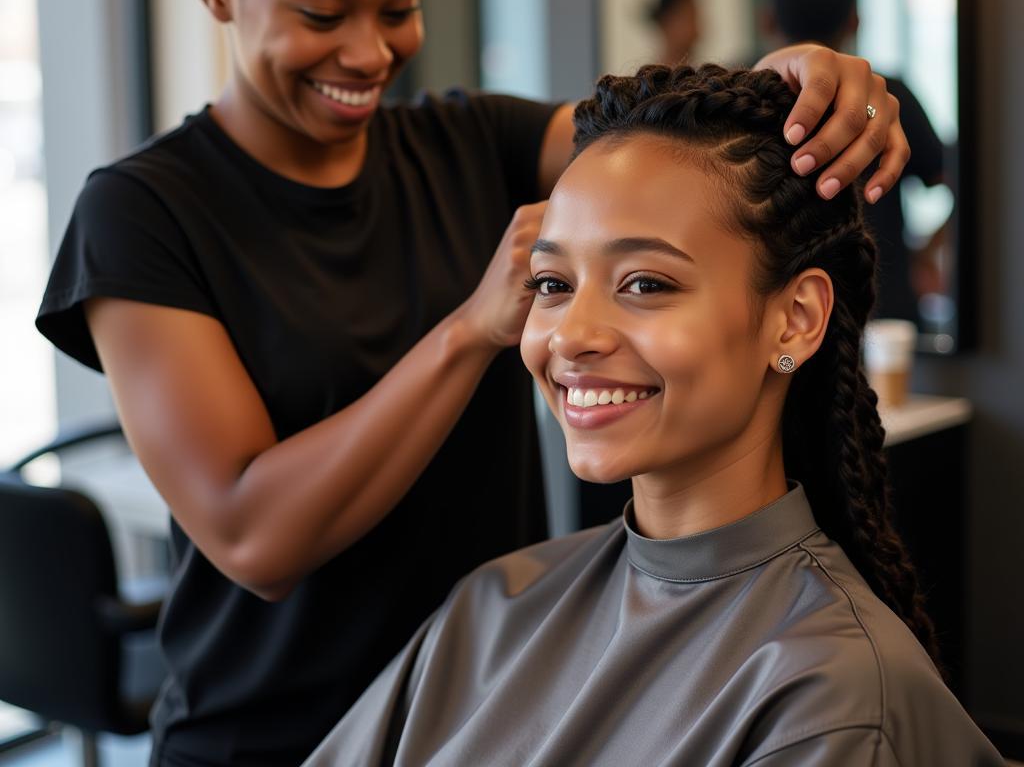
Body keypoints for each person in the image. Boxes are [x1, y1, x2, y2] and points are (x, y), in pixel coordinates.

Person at [34, 0, 909, 763]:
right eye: (323, 11)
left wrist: (790, 83)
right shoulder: (145, 214)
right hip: (267, 736)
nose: (369, 52)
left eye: (398, 6)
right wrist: (473, 327)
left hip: (498, 710)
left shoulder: (471, 141)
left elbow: (670, 157)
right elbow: (251, 534)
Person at [305, 64, 1000, 766]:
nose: (573, 334)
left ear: (795, 320)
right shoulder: (493, 609)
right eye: (552, 284)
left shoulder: (828, 700)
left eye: (645, 283)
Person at [764, 0, 949, 324]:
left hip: (787, 325)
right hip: (885, 314)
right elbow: (956, 181)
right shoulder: (890, 95)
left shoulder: (747, 99)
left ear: (768, 20)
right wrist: (925, 251)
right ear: (855, 20)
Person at [648, 0, 702, 65]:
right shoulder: (654, 76)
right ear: (667, 22)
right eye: (690, 17)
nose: (697, 27)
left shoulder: (701, 72)